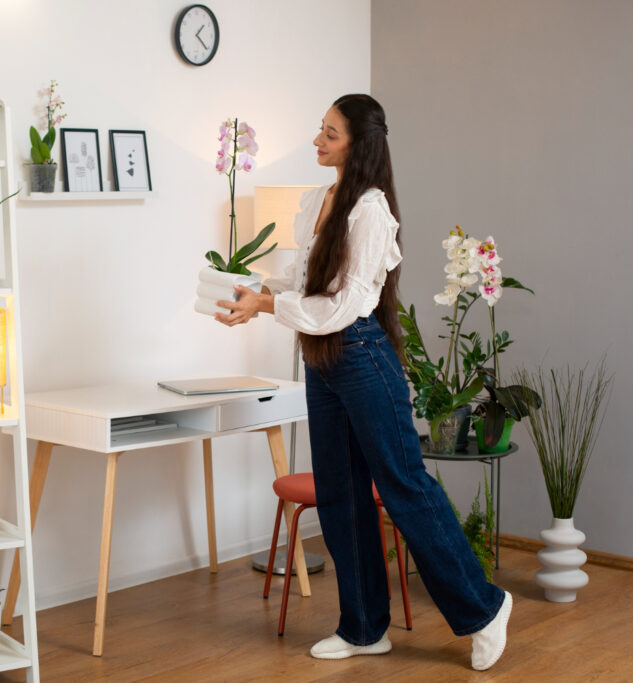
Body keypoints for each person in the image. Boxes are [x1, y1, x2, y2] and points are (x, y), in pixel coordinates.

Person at [214, 93, 512, 671]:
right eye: (320, 130)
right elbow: (307, 279)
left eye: (330, 133)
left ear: (359, 142)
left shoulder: (371, 210)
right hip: (321, 360)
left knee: (403, 486)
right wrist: (259, 293)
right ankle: (362, 627)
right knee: (341, 493)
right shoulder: (320, 199)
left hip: (361, 355)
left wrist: (272, 306)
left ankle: (484, 608)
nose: (317, 141)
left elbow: (346, 304)